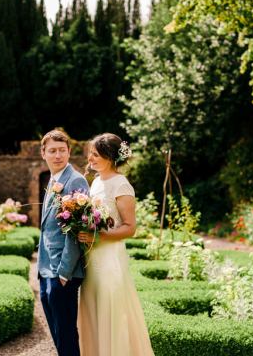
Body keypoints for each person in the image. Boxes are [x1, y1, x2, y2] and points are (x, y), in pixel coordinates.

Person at [77, 133, 154, 356]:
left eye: (95, 154)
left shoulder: (121, 185)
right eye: (90, 153)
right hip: (92, 260)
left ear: (110, 157)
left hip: (110, 261)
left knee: (112, 312)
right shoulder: (97, 182)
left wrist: (98, 237)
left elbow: (130, 227)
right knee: (93, 310)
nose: (90, 158)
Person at [38, 129, 89, 356]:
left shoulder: (76, 180)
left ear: (69, 152)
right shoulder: (54, 179)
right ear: (43, 154)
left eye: (62, 150)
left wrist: (65, 272)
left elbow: (77, 230)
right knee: (57, 331)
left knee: (66, 332)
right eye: (52, 151)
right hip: (46, 268)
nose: (57, 155)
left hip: (62, 270)